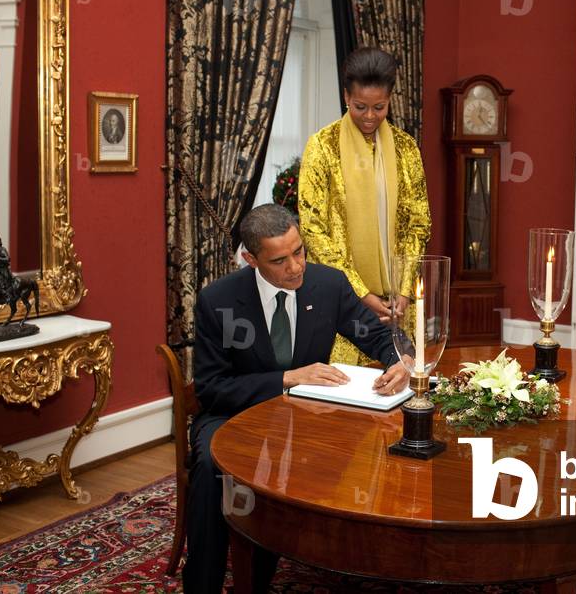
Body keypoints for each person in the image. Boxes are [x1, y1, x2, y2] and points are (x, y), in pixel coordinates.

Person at [184, 204, 410, 593]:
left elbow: (377, 336)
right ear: (251, 259)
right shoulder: (218, 301)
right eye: (280, 260)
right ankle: (202, 581)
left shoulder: (328, 285)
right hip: (235, 414)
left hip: (309, 416)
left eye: (299, 251)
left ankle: (300, 554)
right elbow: (212, 389)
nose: (295, 267)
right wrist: (286, 378)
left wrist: (402, 360)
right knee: (209, 466)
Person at [298, 46, 431, 366]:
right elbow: (313, 228)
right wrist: (360, 293)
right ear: (346, 96)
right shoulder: (322, 146)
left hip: (397, 304)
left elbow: (419, 220)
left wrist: (402, 290)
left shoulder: (405, 148)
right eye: (360, 106)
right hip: (344, 303)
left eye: (379, 107)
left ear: (390, 101)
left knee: (400, 388)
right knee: (343, 399)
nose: (370, 116)